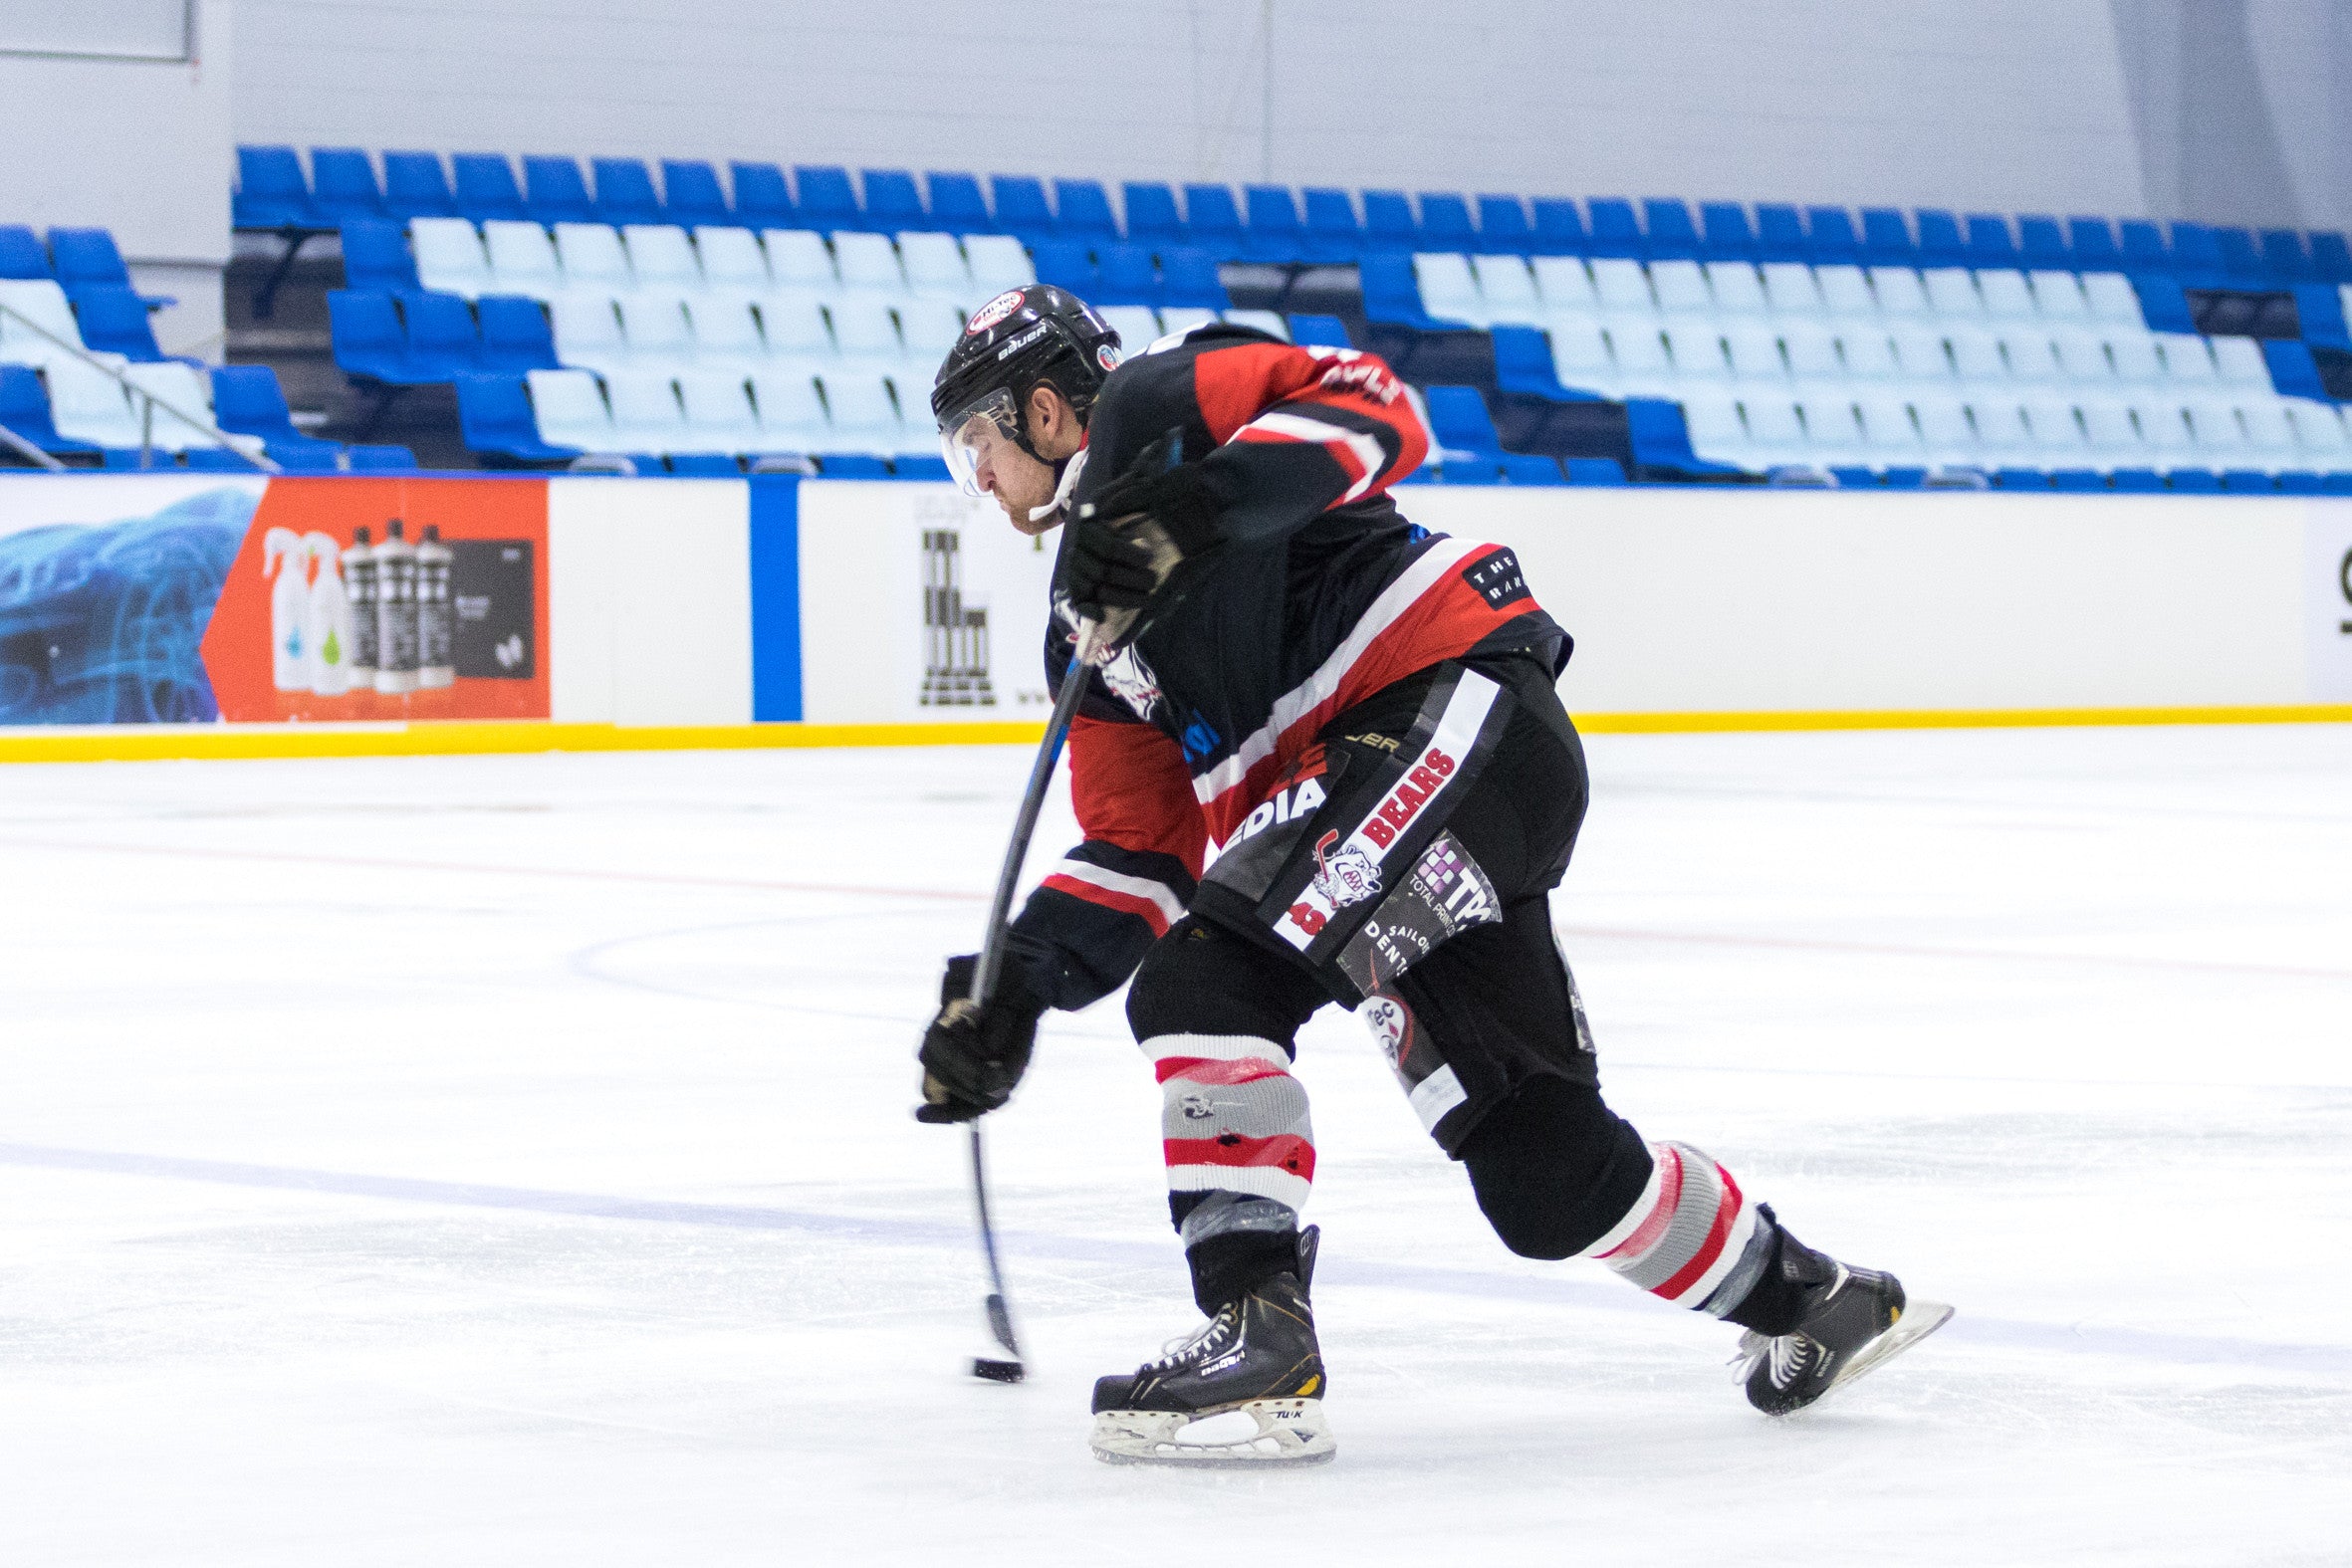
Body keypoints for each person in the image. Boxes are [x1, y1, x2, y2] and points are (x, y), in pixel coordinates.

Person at [915, 284, 1949, 1466]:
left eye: (974, 448)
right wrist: (1016, 984)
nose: (980, 484)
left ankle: (1255, 1326)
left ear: (1043, 408)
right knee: (1544, 1177)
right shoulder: (1085, 631)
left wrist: (1190, 512)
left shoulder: (1166, 395)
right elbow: (1139, 854)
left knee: (1208, 981)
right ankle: (1809, 1296)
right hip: (1390, 806)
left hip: (1448, 709)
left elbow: (1375, 407)